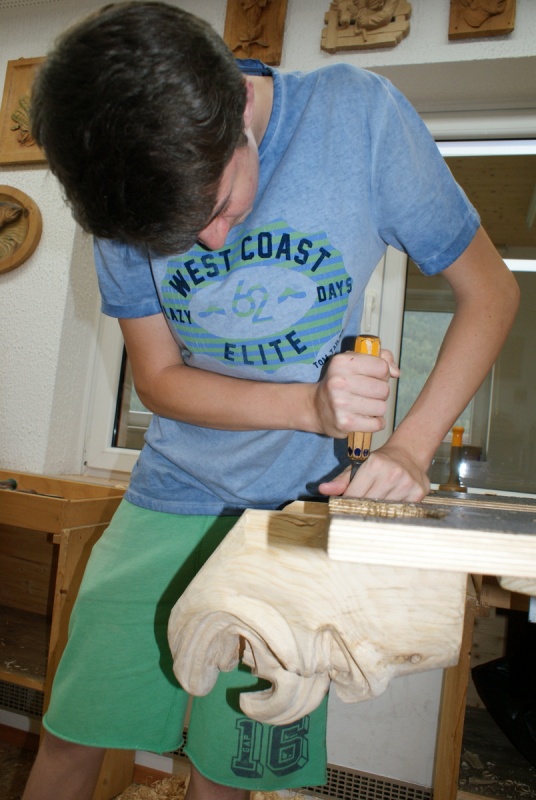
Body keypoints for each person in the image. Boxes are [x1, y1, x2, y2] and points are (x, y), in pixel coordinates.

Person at [24, 2, 519, 799]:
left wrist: (407, 448)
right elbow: (159, 379)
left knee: (226, 772)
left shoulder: (356, 118)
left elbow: (491, 293)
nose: (214, 241)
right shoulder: (121, 180)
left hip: (296, 519)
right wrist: (307, 409)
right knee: (72, 734)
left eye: (220, 207)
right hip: (170, 493)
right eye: (180, 235)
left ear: (237, 114)